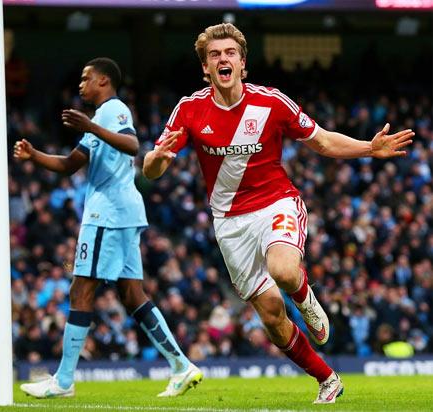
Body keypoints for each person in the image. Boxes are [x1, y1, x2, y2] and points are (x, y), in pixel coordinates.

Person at [143, 24, 414, 404]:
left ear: (242, 63)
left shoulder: (271, 103)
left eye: (230, 53)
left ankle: (307, 301)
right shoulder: (189, 109)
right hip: (229, 223)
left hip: (276, 204)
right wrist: (156, 159)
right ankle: (327, 379)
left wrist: (369, 148)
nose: (223, 59)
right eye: (215, 55)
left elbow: (321, 140)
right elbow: (152, 169)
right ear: (205, 68)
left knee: (284, 271)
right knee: (271, 316)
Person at [15, 57, 202, 399]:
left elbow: (132, 145)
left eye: (86, 79)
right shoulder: (100, 119)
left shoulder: (113, 109)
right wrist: (34, 155)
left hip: (108, 214)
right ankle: (181, 366)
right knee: (132, 294)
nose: (81, 85)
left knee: (81, 289)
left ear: (103, 81)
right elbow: (69, 165)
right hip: (123, 214)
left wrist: (90, 127)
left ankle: (63, 381)